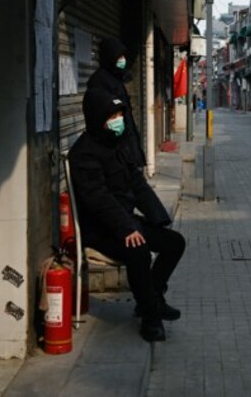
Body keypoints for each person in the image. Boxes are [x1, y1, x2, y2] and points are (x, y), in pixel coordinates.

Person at [69, 88, 186, 342]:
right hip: (101, 229)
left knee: (174, 243)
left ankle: (150, 300)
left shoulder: (119, 145)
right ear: (98, 116)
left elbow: (137, 183)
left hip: (126, 221)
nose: (118, 119)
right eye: (113, 115)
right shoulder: (84, 153)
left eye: (121, 114)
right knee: (139, 251)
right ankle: (151, 318)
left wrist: (159, 218)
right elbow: (98, 199)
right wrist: (127, 228)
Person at [85, 37, 171, 227]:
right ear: (109, 57)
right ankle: (130, 225)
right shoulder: (101, 81)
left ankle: (158, 219)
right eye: (118, 56)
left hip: (125, 145)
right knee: (123, 189)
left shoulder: (115, 79)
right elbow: (102, 116)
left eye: (123, 56)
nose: (122, 60)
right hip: (116, 146)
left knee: (133, 185)